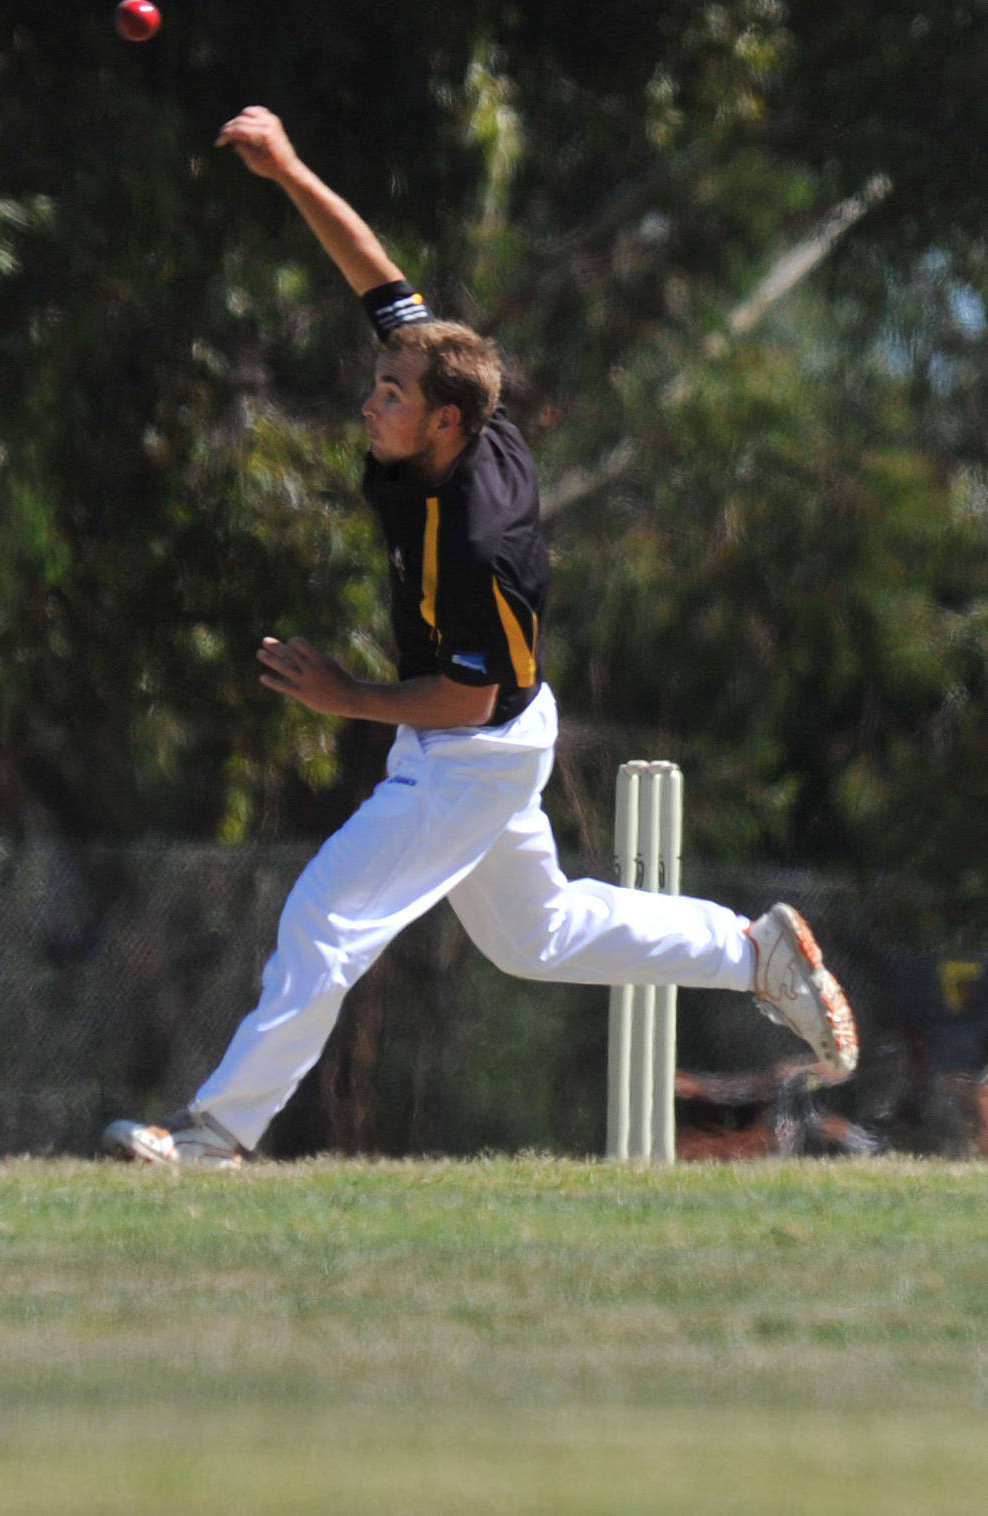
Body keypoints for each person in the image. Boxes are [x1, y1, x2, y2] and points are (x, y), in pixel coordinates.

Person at [101, 107, 858, 1168]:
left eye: (391, 394)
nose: (371, 403)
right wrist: (288, 168)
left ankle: (216, 1133)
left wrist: (343, 695)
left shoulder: (483, 541)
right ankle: (749, 950)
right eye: (378, 383)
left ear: (445, 421)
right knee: (536, 935)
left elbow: (465, 699)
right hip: (479, 737)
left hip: (472, 746)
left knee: (326, 914)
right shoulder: (462, 404)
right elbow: (378, 279)